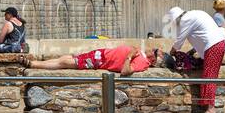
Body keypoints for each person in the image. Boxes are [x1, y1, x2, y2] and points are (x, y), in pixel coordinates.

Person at [164, 5, 225, 113]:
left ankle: (210, 111)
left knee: (209, 77)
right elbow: (203, 34)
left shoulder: (185, 20)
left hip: (213, 46)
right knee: (208, 75)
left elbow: (179, 41)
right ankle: (208, 108)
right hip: (217, 44)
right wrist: (193, 51)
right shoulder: (194, 13)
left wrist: (172, 52)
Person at [22, 44, 160, 76]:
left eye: (156, 51)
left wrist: (129, 56)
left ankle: (34, 65)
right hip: (101, 55)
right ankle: (36, 64)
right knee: (67, 59)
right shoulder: (142, 56)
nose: (153, 48)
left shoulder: (143, 63)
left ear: (153, 60)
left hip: (101, 61)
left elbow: (125, 71)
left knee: (68, 62)